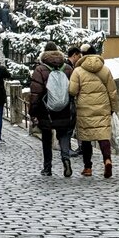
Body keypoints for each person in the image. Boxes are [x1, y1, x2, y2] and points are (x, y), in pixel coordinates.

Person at [69, 44, 118, 178]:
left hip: (85, 109)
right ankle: (107, 160)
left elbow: (72, 91)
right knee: (103, 136)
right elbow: (112, 92)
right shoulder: (105, 70)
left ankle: (88, 167)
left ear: (83, 55)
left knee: (86, 139)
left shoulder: (78, 71)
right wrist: (113, 108)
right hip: (103, 107)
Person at [29, 42, 74, 177]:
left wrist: (33, 112)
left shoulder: (40, 69)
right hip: (65, 109)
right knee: (64, 135)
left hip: (46, 110)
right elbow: (72, 90)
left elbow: (35, 94)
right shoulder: (67, 68)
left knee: (47, 138)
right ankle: (66, 159)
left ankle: (47, 168)